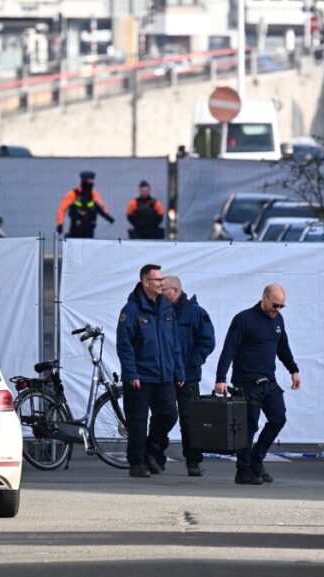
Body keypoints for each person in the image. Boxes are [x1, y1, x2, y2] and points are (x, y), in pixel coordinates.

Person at [214, 284, 301, 485]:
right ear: (264, 298)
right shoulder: (244, 319)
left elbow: (283, 347)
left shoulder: (278, 320)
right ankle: (243, 470)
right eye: (275, 305)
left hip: (268, 382)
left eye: (281, 307)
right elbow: (229, 349)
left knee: (278, 418)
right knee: (249, 426)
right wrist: (221, 378)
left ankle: (256, 460)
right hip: (247, 382)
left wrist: (293, 370)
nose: (277, 310)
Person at [116, 264, 185, 478]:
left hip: (164, 375)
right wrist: (131, 374)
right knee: (137, 422)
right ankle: (136, 463)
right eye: (157, 280)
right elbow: (124, 345)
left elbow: (174, 343)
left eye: (162, 279)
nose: (161, 283)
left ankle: (151, 451)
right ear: (146, 282)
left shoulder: (166, 307)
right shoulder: (131, 310)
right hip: (141, 377)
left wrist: (179, 371)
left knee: (169, 415)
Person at [156, 275, 215, 477]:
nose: (159, 294)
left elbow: (207, 342)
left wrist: (190, 362)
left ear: (174, 290)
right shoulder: (160, 312)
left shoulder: (196, 313)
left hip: (188, 377)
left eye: (163, 290)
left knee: (190, 421)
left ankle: (193, 461)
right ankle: (156, 458)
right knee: (161, 417)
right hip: (163, 376)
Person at [56, 171, 115, 238]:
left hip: (89, 228)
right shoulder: (74, 193)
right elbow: (62, 209)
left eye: (92, 181)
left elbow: (101, 207)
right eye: (89, 181)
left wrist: (108, 217)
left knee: (93, 207)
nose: (92, 183)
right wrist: (60, 224)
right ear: (84, 180)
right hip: (76, 227)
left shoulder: (93, 194)